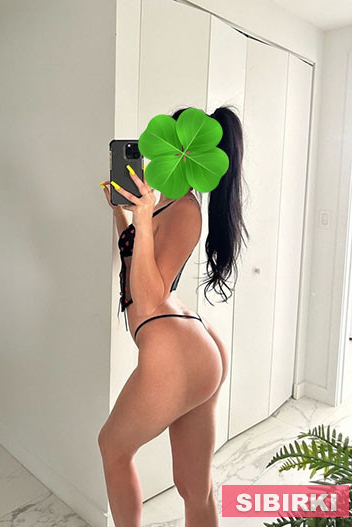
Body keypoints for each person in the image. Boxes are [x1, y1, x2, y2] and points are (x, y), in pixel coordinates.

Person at [98, 105, 248, 527]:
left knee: (113, 447)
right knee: (193, 486)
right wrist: (123, 213)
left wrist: (143, 219)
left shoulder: (184, 209)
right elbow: (137, 259)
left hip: (177, 351)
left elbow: (149, 297)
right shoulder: (161, 203)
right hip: (189, 346)